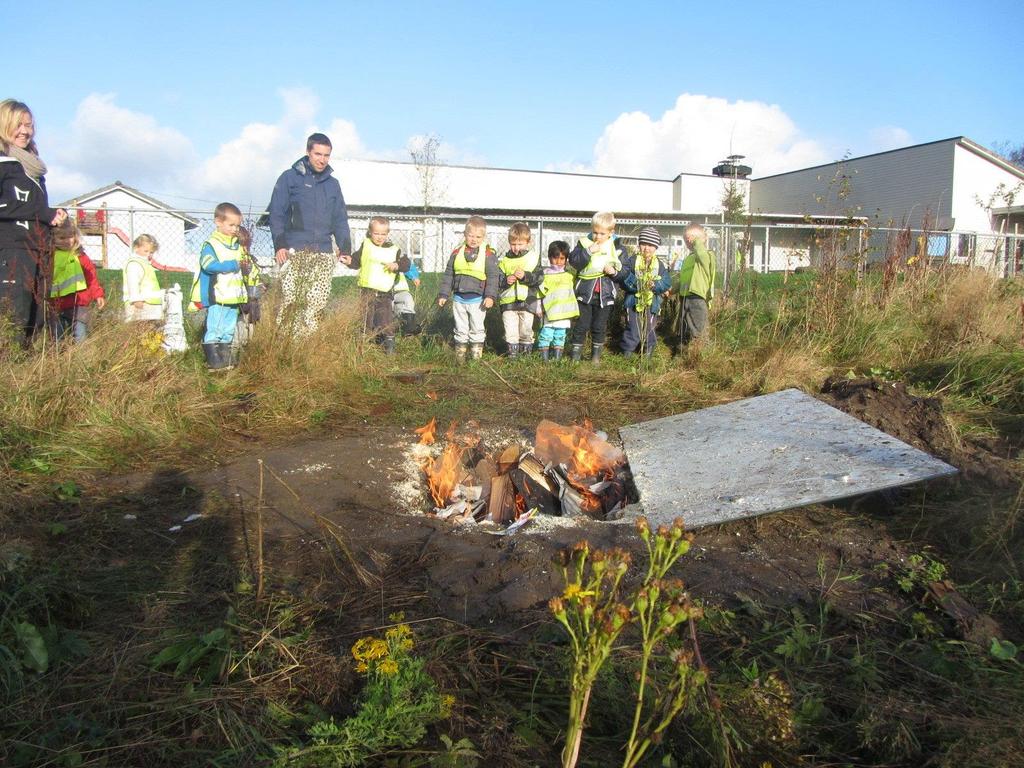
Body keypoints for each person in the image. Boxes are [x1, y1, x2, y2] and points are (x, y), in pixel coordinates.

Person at [268, 132, 351, 335]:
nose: (322, 160)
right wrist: (280, 244)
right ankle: (287, 345)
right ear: (308, 152)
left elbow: (340, 218)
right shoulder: (289, 178)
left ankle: (309, 346)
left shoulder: (333, 184)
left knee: (316, 302)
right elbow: (277, 213)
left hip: (323, 252)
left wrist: (345, 247)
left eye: (326, 155)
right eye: (318, 154)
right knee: (291, 301)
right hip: (294, 250)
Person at [0, 99, 67, 341]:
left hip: (38, 249)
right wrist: (42, 213)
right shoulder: (3, 163)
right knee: (13, 316)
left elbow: (34, 207)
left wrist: (52, 216)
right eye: (18, 125)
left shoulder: (32, 167)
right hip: (10, 250)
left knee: (36, 318)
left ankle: (27, 374)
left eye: (29, 125)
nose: (25, 131)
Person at [437, 216, 499, 363]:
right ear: (465, 235)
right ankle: (460, 359)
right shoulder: (456, 253)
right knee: (460, 328)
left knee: (477, 328)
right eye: (471, 235)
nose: (474, 239)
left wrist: (490, 296)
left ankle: (476, 359)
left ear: (483, 237)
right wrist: (444, 294)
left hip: (478, 300)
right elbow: (448, 275)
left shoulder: (488, 255)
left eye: (478, 237)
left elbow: (493, 277)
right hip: (459, 299)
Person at [567, 211, 626, 364]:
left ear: (611, 232)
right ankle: (575, 357)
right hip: (584, 292)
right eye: (595, 232)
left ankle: (595, 358)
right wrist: (588, 252)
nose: (597, 237)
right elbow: (574, 261)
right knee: (581, 325)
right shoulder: (584, 243)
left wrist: (614, 272)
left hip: (605, 294)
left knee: (599, 326)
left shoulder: (618, 246)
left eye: (602, 233)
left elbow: (625, 271)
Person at [344, 216, 409, 354]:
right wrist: (349, 261)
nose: (380, 237)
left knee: (385, 320)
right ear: (370, 232)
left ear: (388, 234)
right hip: (367, 291)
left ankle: (389, 347)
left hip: (384, 293)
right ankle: (362, 349)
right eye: (376, 233)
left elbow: (406, 263)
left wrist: (396, 265)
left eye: (383, 234)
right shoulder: (366, 245)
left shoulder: (394, 249)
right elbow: (356, 261)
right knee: (365, 320)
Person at [196, 203, 247, 370]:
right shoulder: (212, 244)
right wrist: (231, 265)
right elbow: (208, 264)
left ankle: (225, 356)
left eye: (237, 226)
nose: (235, 229)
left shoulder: (237, 245)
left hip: (233, 296)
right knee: (215, 326)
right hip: (218, 296)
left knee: (228, 327)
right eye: (231, 225)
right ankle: (213, 358)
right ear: (218, 222)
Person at [48, 219, 105, 342]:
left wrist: (98, 294)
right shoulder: (50, 257)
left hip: (79, 303)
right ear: (53, 238)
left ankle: (82, 359)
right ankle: (59, 359)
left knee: (81, 335)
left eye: (70, 237)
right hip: (57, 304)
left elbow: (91, 277)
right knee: (58, 337)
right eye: (62, 238)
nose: (67, 241)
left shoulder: (80, 256)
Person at [621, 226, 671, 358]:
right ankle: (628, 350)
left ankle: (648, 350)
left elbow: (667, 282)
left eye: (650, 245)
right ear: (639, 244)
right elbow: (624, 278)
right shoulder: (632, 261)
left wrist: (655, 285)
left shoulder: (659, 265)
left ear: (655, 247)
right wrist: (639, 285)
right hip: (633, 301)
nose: (646, 248)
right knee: (633, 326)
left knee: (649, 327)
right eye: (643, 244)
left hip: (651, 303)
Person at [497, 221, 542, 358]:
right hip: (508, 303)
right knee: (510, 330)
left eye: (520, 244)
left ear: (528, 242)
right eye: (513, 244)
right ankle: (513, 356)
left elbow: (539, 278)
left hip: (528, 302)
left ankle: (526, 356)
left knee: (526, 330)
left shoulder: (533, 258)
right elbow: (498, 280)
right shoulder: (504, 261)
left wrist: (525, 276)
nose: (516, 248)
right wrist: (506, 281)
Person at [535, 240, 578, 362]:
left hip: (564, 313)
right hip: (549, 312)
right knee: (546, 335)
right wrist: (538, 307)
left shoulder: (570, 275)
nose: (558, 262)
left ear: (566, 259)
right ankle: (545, 360)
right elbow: (539, 292)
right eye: (555, 258)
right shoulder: (544, 275)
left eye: (562, 259)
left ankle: (557, 359)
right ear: (549, 258)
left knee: (560, 335)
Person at [677, 223, 716, 347]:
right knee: (685, 325)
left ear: (704, 238)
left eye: (694, 237)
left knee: (699, 327)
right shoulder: (689, 258)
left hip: (697, 297)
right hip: (685, 297)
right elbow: (683, 279)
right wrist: (672, 290)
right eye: (687, 239)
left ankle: (703, 351)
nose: (690, 240)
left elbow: (702, 254)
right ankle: (683, 350)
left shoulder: (707, 255)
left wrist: (697, 243)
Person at [123, 234, 165, 323]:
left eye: (151, 252)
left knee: (150, 333)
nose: (149, 254)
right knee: (140, 332)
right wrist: (136, 300)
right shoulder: (134, 263)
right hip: (140, 305)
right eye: (146, 251)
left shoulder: (145, 263)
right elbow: (133, 283)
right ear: (136, 247)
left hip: (150, 305)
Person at [392, 258, 421, 337]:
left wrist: (414, 277)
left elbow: (409, 267)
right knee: (392, 310)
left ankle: (409, 329)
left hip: (401, 290)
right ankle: (393, 330)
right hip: (386, 292)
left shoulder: (398, 259)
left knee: (408, 300)